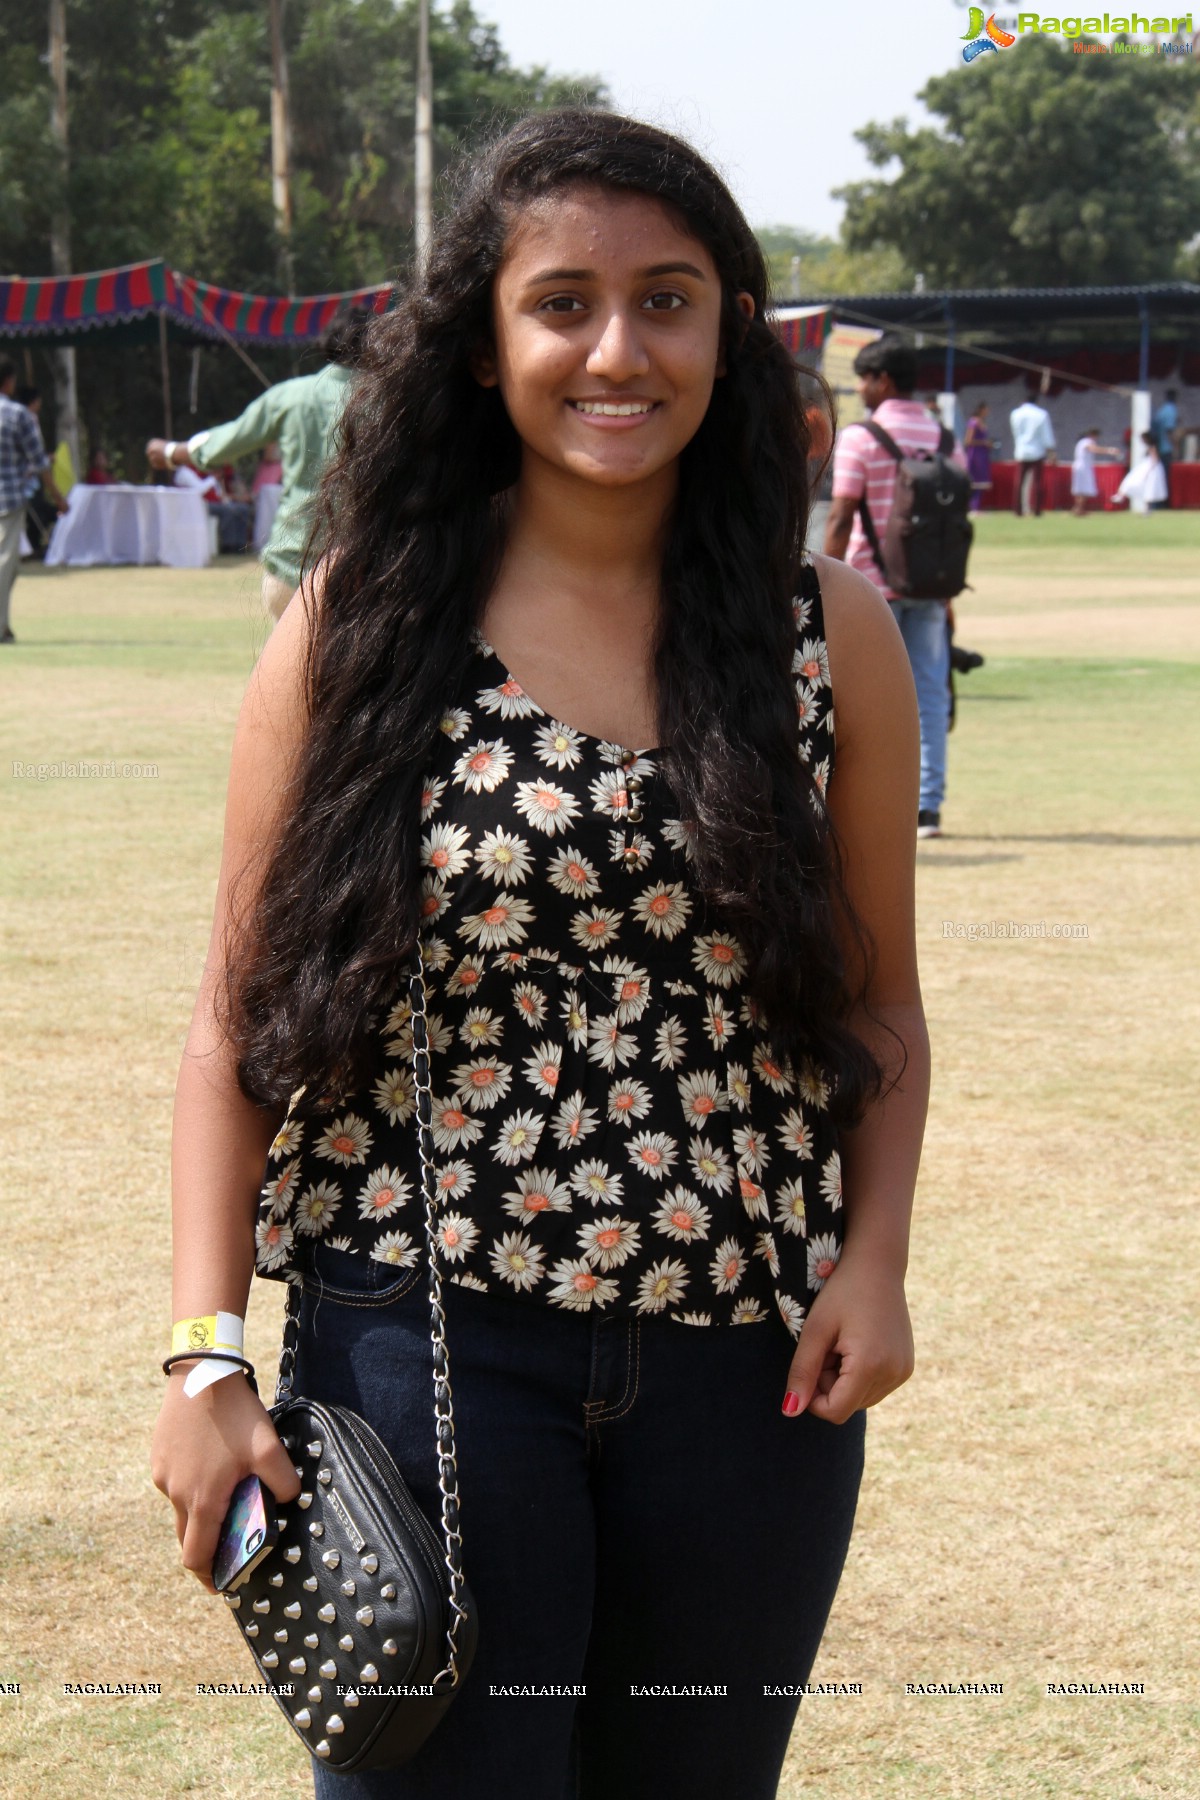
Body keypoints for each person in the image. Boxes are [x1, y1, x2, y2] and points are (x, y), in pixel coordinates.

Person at [150, 110, 926, 1800]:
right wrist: (208, 1351)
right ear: (485, 344)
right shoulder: (358, 627)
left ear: (728, 325)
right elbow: (234, 1024)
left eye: (668, 299)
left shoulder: (825, 636)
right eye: (562, 302)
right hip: (420, 1345)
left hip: (749, 1364)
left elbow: (879, 1008)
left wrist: (875, 1258)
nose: (617, 350)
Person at [823, 331, 962, 840]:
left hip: (867, 590)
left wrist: (818, 583)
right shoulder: (947, 440)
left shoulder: (862, 438)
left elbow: (840, 515)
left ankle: (864, 805)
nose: (860, 388)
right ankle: (928, 807)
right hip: (929, 585)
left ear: (882, 380)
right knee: (929, 695)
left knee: (856, 702)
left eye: (863, 378)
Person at [146, 306, 371, 620]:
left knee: (290, 669)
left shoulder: (290, 396)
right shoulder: (389, 403)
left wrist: (172, 452)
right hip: (360, 573)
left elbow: (227, 441)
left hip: (291, 566)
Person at [0, 360, 67, 639]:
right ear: (9, 382)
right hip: (9, 498)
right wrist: (58, 498)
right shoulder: (17, 415)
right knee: (5, 563)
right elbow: (40, 463)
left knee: (10, 565)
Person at [1009, 394, 1056, 516]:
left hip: (1021, 451)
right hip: (1037, 451)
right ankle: (1037, 510)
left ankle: (1018, 510)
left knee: (1019, 482)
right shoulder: (1041, 414)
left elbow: (1015, 432)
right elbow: (1047, 435)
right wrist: (1051, 453)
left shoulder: (1015, 414)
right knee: (1038, 482)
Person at [1113, 432, 1168, 514]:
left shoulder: (1152, 447)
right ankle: (1121, 495)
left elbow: (1154, 459)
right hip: (1147, 467)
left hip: (1150, 468)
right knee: (1135, 483)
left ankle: (1146, 509)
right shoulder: (1150, 447)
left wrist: (1148, 471)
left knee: (1146, 487)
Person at [1069, 427, 1119, 516]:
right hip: (1083, 468)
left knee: (1080, 489)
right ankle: (1079, 509)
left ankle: (1078, 508)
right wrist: (1109, 450)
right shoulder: (1087, 441)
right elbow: (1093, 449)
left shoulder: (1082, 442)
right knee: (1083, 488)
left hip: (1081, 467)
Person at [963, 401, 993, 512]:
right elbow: (968, 440)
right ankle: (972, 506)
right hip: (975, 454)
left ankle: (977, 506)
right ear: (981, 410)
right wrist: (983, 443)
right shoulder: (973, 422)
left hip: (982, 454)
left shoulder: (982, 422)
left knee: (981, 480)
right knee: (974, 480)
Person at [1151, 389, 1179, 506]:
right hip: (1166, 449)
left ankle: (1159, 502)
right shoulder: (1171, 410)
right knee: (1165, 477)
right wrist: (1176, 446)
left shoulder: (1161, 410)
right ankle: (1163, 503)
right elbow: (1169, 430)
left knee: (1159, 476)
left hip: (1159, 447)